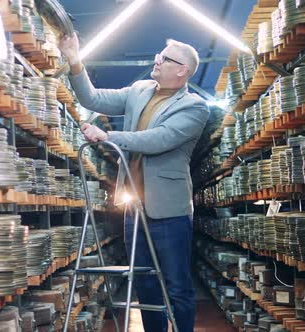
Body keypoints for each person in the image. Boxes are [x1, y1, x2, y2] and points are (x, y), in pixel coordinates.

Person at [59, 34, 209, 332]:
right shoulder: (140, 90)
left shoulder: (195, 107)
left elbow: (159, 140)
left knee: (177, 285)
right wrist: (75, 61)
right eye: (159, 54)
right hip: (134, 208)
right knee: (144, 282)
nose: (158, 60)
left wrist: (108, 136)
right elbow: (94, 99)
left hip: (169, 211)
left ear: (182, 71)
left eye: (165, 58)